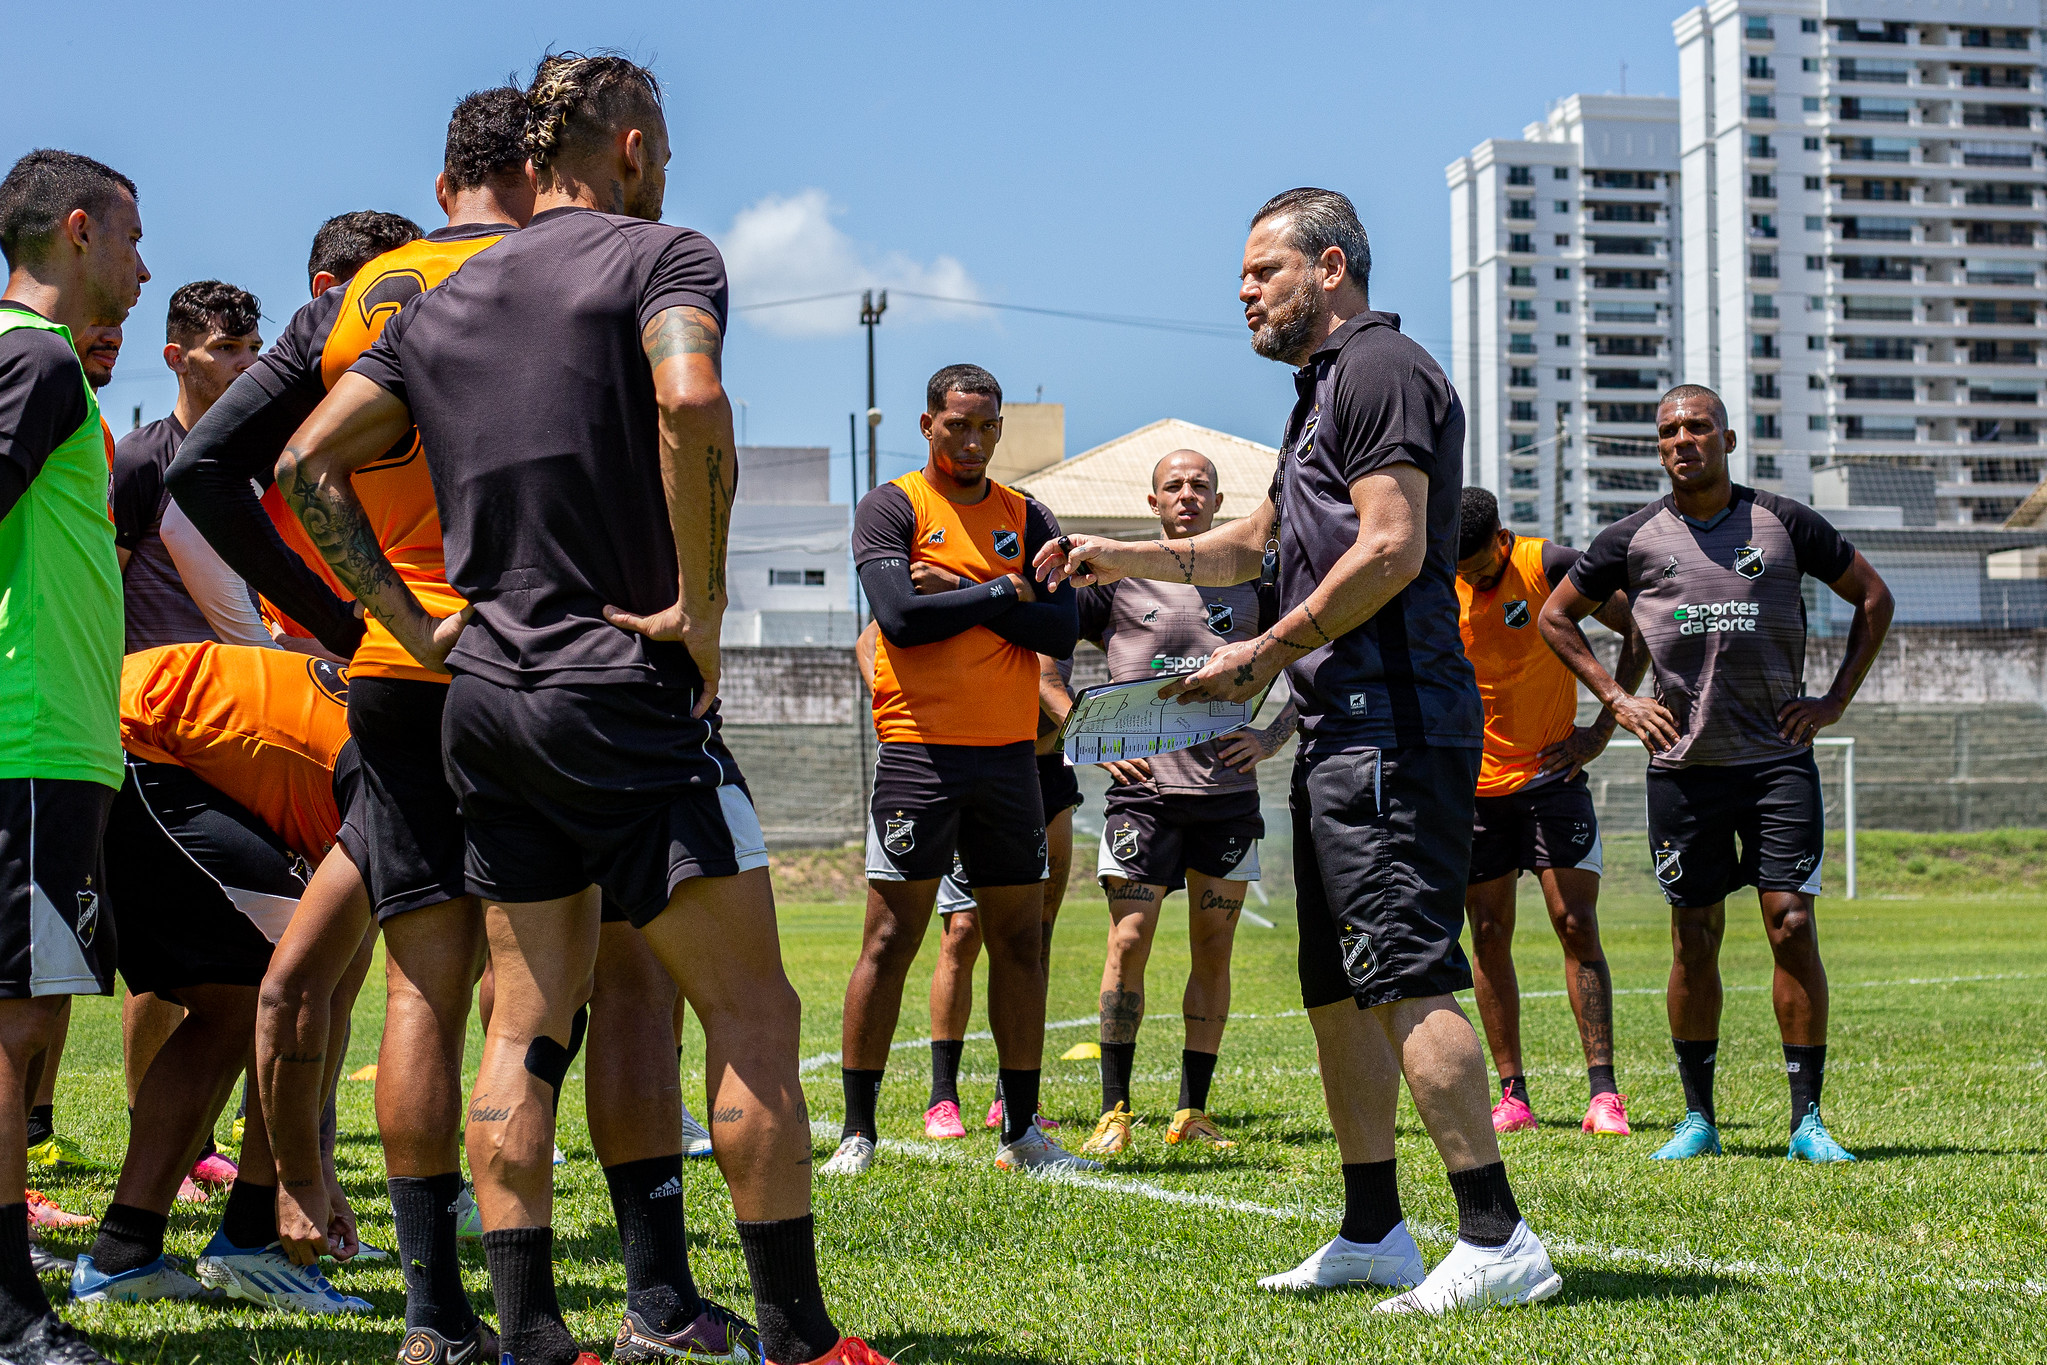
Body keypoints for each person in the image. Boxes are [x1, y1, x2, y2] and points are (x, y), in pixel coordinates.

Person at [274, 52, 895, 1365]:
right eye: (659, 140)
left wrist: (412, 620)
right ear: (623, 141)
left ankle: (529, 1335)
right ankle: (801, 1339)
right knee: (753, 1016)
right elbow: (690, 397)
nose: (666, 163)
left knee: (524, 1020)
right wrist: (700, 604)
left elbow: (302, 461)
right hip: (622, 687)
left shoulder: (442, 297)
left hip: (480, 705)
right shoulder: (661, 255)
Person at [1039, 187, 1560, 1313]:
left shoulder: (1380, 370)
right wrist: (1112, 554)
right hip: (1336, 727)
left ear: (1330, 267)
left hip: (1391, 718)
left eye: (1260, 275)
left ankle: (1497, 1233)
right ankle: (1374, 1227)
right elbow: (1248, 548)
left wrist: (1259, 658)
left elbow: (1388, 548)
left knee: (1407, 972)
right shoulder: (1320, 394)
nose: (1243, 295)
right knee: (1336, 988)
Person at [173, 91, 534, 1363]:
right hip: (536, 666)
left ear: (442, 184)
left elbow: (204, 470)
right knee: (543, 990)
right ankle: (574, 1298)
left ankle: (426, 1310)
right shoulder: (575, 265)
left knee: (411, 994)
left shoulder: (361, 299)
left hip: (392, 672)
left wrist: (345, 612)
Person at [1537, 384, 1894, 1164]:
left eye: (1697, 426)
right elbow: (1554, 616)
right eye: (1668, 430)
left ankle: (1806, 1121)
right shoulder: (1631, 538)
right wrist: (1616, 700)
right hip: (1682, 769)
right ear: (1658, 446)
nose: (1682, 440)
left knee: (1790, 925)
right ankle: (1697, 1117)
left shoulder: (1784, 522)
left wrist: (1832, 699)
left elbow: (1872, 596)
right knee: (1692, 935)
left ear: (1728, 438)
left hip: (1775, 764)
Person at [827, 363, 1087, 1179]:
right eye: (956, 426)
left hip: (1011, 760)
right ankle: (857, 1131)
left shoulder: (1026, 513)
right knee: (890, 937)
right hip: (918, 754)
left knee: (1019, 940)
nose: (971, 441)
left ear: (1000, 427)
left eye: (985, 427)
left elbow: (1063, 622)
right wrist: (1007, 596)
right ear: (927, 423)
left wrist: (977, 588)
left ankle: (1022, 1131)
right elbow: (901, 619)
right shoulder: (894, 506)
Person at [63, 643, 371, 1315]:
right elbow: (309, 991)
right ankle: (256, 1242)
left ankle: (124, 1253)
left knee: (235, 1005)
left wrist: (311, 1155)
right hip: (129, 739)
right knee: (283, 977)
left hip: (117, 732)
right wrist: (302, 1172)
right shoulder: (417, 779)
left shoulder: (430, 745)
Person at [0, 146, 149, 1365]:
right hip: (28, 740)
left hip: (47, 745)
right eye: (136, 243)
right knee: (9, 1027)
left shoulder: (48, 368)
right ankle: (8, 1312)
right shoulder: (40, 356)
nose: (147, 270)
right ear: (82, 232)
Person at [1072, 449, 1299, 1159]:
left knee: (1213, 948)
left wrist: (1269, 737)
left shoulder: (1255, 579)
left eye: (1199, 484)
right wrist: (1094, 740)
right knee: (1128, 942)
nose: (1187, 494)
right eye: (1173, 484)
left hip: (1226, 802)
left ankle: (1191, 1109)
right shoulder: (1115, 576)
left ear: (1218, 498)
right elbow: (1042, 660)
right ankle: (1113, 1110)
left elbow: (1313, 655)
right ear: (1152, 500)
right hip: (1141, 801)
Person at [1454, 487, 1646, 1139]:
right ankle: (1511, 1095)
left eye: (1480, 566)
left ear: (1501, 538)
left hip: (1551, 776)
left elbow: (1637, 625)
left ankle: (1603, 1094)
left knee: (1574, 921)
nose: (1474, 579)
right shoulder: (1435, 580)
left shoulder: (1548, 563)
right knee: (1485, 933)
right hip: (1473, 790)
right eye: (1463, 571)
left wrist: (1601, 725)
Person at [854, 626, 1078, 1141]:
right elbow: (869, 642)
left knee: (1033, 935)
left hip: (1041, 772)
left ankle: (1014, 1098)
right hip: (969, 763)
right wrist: (898, 709)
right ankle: (943, 1097)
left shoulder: (1060, 590)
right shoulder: (974, 571)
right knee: (962, 931)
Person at [112, 281, 266, 652]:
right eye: (226, 348)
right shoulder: (140, 457)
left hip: (248, 691)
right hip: (158, 702)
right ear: (176, 358)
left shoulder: (261, 459)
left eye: (255, 348)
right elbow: (100, 590)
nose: (248, 364)